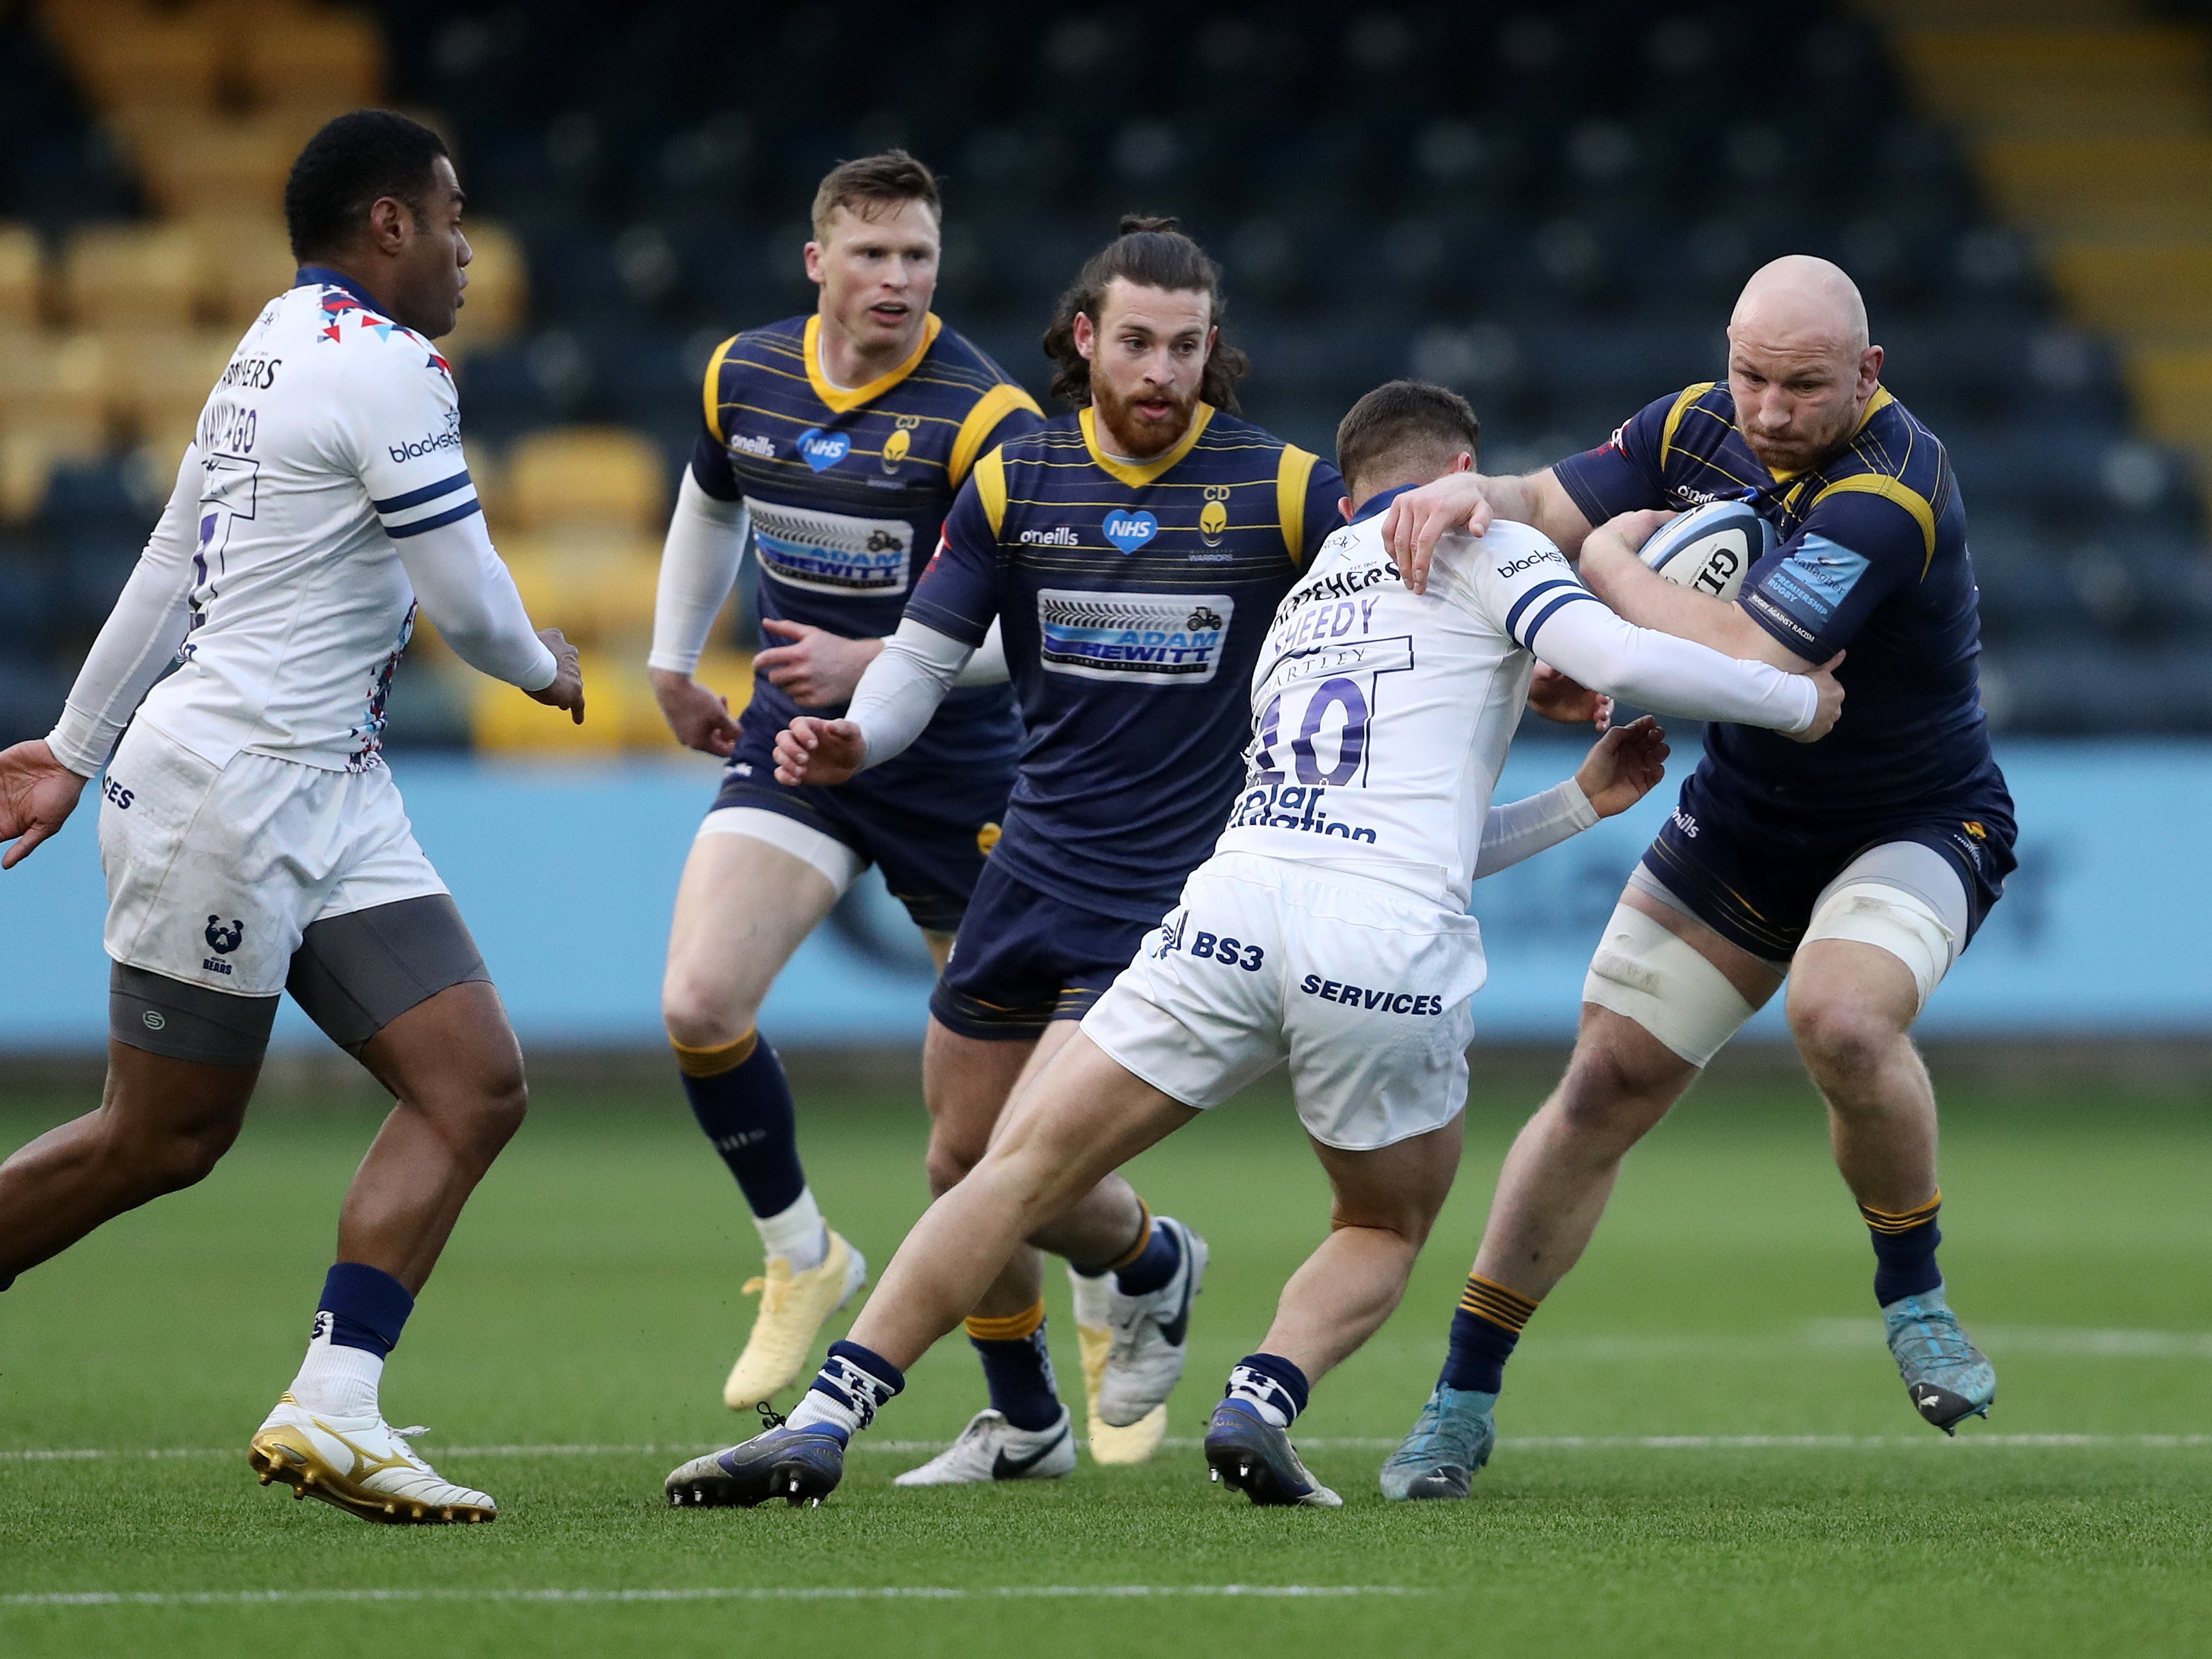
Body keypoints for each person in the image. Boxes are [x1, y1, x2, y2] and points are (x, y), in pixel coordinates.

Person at [658, 378, 1839, 1509]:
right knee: (1381, 1221)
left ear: (1349, 491)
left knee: (1013, 1169)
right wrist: (1794, 700)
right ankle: (1261, 1398)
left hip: (1232, 907)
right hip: (1381, 943)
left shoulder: (1305, 596)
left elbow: (1384, 819)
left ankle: (824, 1415)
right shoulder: (1491, 542)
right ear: (1465, 477)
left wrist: (1575, 801)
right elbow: (1625, 663)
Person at [0, 110, 580, 1525]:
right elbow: (477, 604)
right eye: (454, 217)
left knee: (474, 1082)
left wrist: (68, 746)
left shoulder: (270, 346)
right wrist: (547, 665)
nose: (471, 250)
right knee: (165, 1139)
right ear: (388, 228)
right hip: (229, 793)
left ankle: (335, 1402)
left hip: (335, 786)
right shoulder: (386, 370)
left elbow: (174, 553)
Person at [703, 216, 1350, 1484]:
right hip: (1030, 866)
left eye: (1185, 345)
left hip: (1170, 902)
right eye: (1136, 343)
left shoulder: (1284, 490)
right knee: (961, 1160)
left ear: (1213, 350)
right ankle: (1077, 1362)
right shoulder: (1015, 482)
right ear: (1084, 341)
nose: (1160, 370)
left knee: (1014, 1167)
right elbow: (924, 659)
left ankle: (852, 1411)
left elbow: (1403, 611)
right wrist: (857, 739)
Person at [1375, 255, 2017, 1501]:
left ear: (1869, 373)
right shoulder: (1694, 424)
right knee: (1605, 1081)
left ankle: (1915, 1293)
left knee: (1840, 1017)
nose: (1770, 412)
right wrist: (1462, 502)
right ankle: (1459, 1400)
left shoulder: (1893, 488)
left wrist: (1610, 570)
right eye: (1753, 377)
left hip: (1919, 818)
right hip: (1744, 825)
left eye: (1806, 385)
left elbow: (1755, 655)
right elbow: (1538, 498)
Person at [646, 151, 1041, 1413]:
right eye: (871, 254)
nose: (897, 279)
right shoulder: (742, 372)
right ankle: (801, 1255)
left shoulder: (989, 420)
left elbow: (1032, 623)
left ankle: (1051, 1369)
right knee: (702, 1003)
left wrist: (879, 656)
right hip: (795, 747)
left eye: (918, 256)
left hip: (958, 772)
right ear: (818, 262)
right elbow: (713, 503)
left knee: (981, 1143)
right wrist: (669, 660)